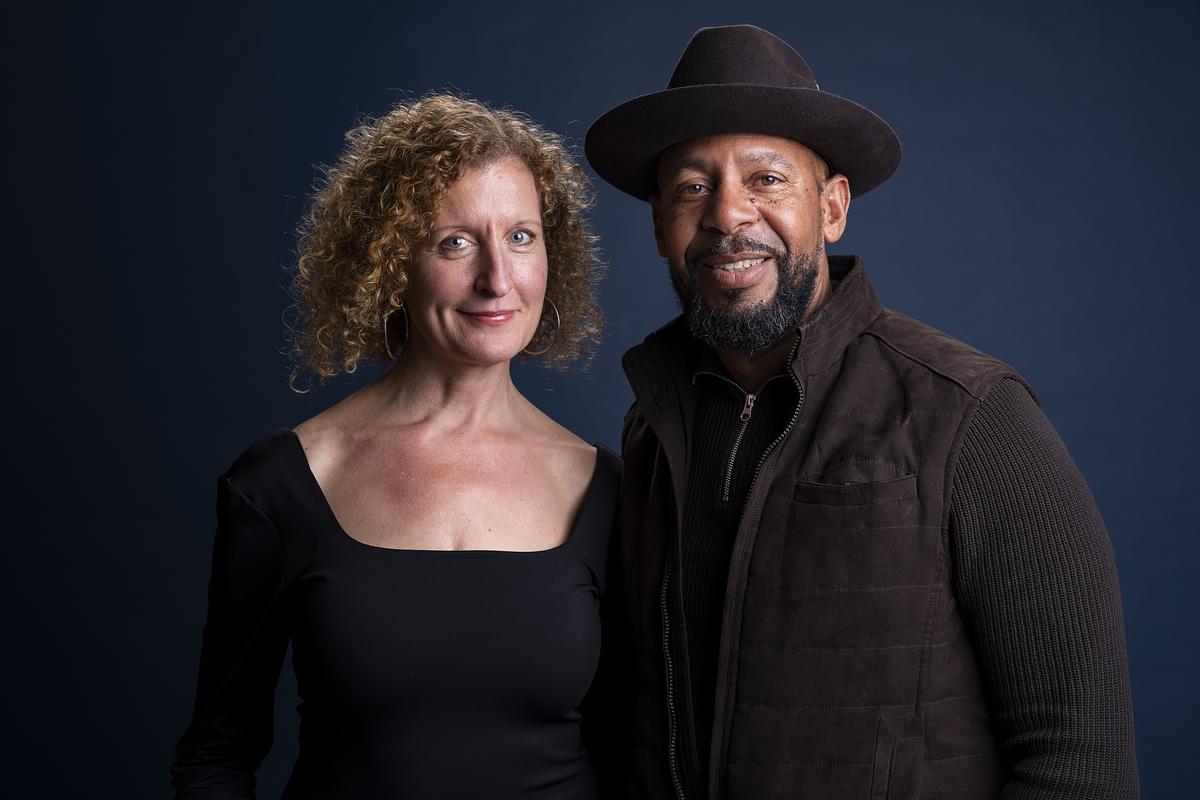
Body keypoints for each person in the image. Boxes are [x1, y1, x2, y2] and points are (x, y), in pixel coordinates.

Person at [584, 24, 1138, 799]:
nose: (727, 215)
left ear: (833, 207)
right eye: (692, 187)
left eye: (767, 179)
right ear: (659, 228)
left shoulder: (973, 416)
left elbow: (1082, 761)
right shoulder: (650, 433)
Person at [172, 94, 618, 799]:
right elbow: (217, 754)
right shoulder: (287, 481)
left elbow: (644, 749)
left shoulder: (609, 487)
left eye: (522, 237)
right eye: (455, 242)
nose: (498, 279)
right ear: (387, 263)